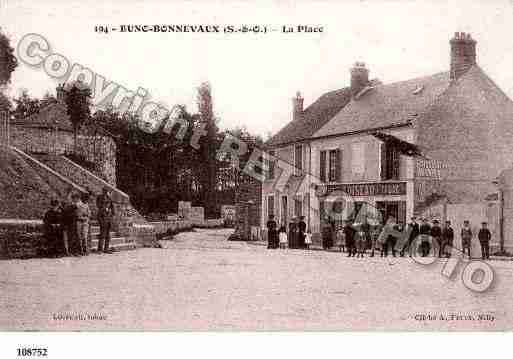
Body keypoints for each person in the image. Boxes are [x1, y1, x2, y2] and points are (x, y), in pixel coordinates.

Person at [97, 187, 116, 254]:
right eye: (105, 191)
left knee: (108, 235)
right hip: (102, 217)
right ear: (103, 191)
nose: (106, 193)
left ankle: (106, 249)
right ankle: (100, 249)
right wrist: (105, 208)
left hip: (108, 219)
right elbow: (98, 206)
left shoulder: (109, 198)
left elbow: (113, 208)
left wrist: (112, 213)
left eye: (107, 191)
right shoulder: (99, 197)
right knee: (102, 235)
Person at [61, 192, 80, 256]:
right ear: (73, 198)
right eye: (75, 198)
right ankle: (68, 252)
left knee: (73, 238)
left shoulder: (73, 205)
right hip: (67, 224)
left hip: (73, 224)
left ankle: (73, 251)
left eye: (77, 198)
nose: (77, 200)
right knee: (68, 239)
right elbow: (66, 213)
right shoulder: (69, 205)